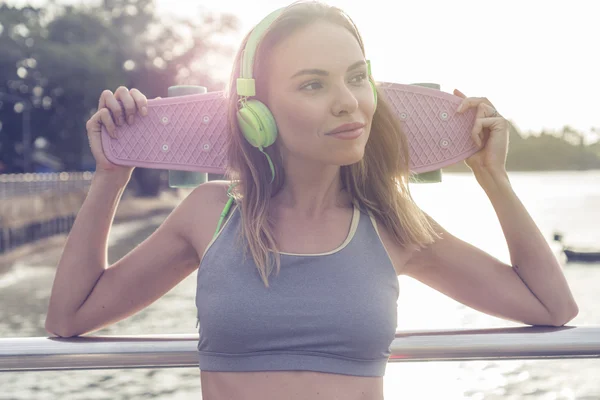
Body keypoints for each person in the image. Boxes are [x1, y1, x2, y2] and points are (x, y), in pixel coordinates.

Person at [45, 1, 579, 399]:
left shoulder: (392, 224)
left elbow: (550, 306)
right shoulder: (211, 215)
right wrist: (111, 176)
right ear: (257, 112)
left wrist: (492, 177)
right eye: (312, 85)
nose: (348, 104)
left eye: (355, 78)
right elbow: (70, 317)